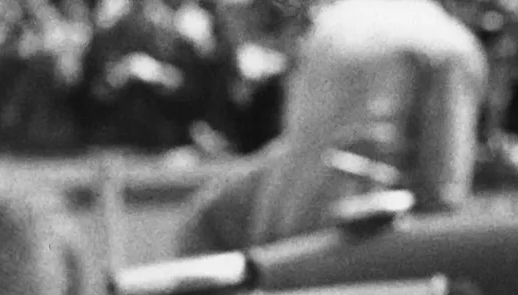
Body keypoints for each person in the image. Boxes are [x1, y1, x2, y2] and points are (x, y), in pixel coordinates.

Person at [185, 0, 485, 251]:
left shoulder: (333, 21)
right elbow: (444, 192)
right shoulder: (451, 46)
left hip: (278, 222)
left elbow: (311, 140)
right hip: (358, 236)